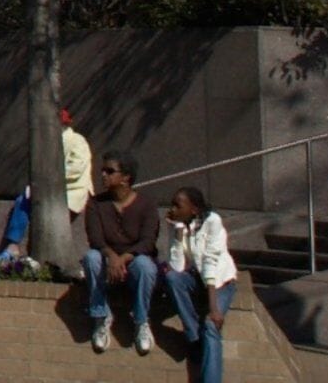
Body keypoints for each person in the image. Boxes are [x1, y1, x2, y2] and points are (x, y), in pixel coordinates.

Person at [81, 155, 162, 354]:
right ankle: (100, 317)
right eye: (103, 170)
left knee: (145, 265)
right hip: (107, 260)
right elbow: (95, 239)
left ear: (125, 178)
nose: (103, 175)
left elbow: (148, 241)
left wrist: (123, 258)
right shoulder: (96, 204)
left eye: (109, 171)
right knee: (91, 258)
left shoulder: (147, 204)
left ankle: (141, 321)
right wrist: (111, 257)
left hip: (133, 261)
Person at [161, 188, 237, 383]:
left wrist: (214, 309)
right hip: (197, 279)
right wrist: (177, 231)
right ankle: (194, 337)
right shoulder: (179, 225)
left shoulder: (213, 222)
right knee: (172, 279)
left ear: (194, 209)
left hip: (220, 283)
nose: (173, 209)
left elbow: (210, 263)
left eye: (178, 205)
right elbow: (177, 266)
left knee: (211, 326)